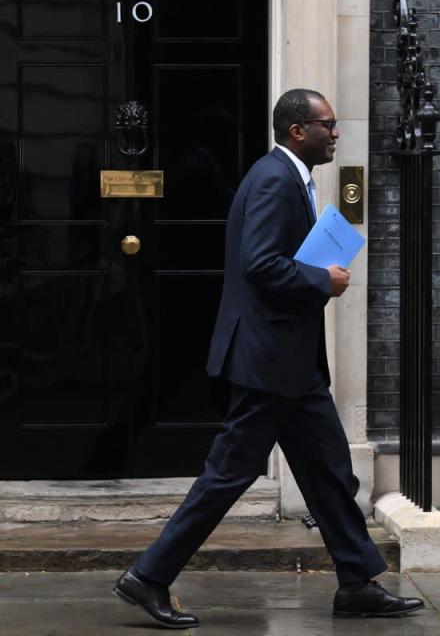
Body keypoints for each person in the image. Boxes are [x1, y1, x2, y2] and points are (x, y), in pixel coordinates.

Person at [112, 89, 424, 627]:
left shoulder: (286, 177)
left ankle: (356, 582)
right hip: (269, 361)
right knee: (227, 477)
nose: (337, 133)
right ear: (298, 130)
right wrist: (320, 279)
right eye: (328, 124)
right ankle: (149, 576)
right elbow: (259, 263)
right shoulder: (275, 179)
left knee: (328, 471)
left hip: (292, 365)